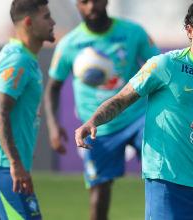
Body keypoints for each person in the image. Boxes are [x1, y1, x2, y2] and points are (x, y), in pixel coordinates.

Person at [75, 0, 193, 219]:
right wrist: (93, 121)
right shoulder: (165, 65)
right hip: (168, 184)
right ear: (190, 31)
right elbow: (122, 98)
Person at [44, 0, 160, 219]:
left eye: (95, 0)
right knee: (99, 191)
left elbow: (159, 67)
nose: (91, 6)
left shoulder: (132, 32)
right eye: (83, 2)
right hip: (98, 128)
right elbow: (52, 88)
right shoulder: (69, 44)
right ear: (77, 5)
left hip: (138, 118)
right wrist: (52, 125)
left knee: (162, 170)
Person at [0, 0, 55, 219]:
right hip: (4, 169)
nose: (53, 22)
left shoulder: (12, 52)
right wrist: (14, 160)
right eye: (46, 17)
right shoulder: (18, 60)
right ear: (28, 22)